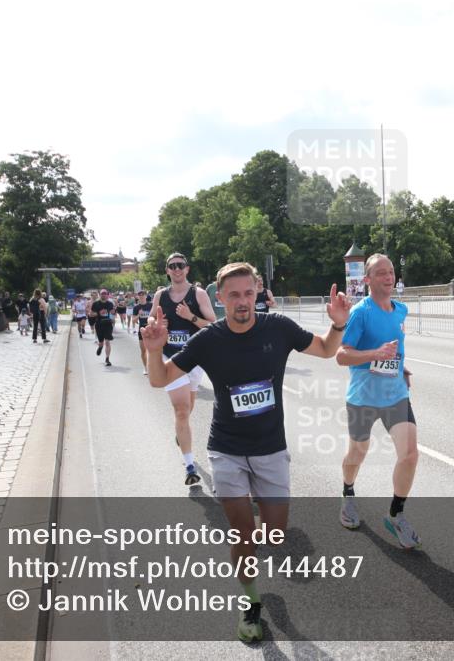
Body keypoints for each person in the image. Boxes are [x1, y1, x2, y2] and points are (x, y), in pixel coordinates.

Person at [144, 261, 350, 642]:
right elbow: (159, 379)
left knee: (274, 534)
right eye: (234, 295)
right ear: (220, 298)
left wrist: (337, 325)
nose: (243, 301)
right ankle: (251, 602)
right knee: (243, 535)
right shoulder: (208, 339)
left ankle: (253, 540)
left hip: (271, 449)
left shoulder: (279, 328)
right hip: (227, 450)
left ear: (257, 292)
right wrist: (154, 349)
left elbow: (324, 350)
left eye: (249, 293)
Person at [335, 254, 420, 548]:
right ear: (367, 280)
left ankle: (396, 515)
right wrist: (376, 354)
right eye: (381, 273)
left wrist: (400, 366)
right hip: (363, 399)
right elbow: (342, 355)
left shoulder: (401, 310)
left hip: (396, 394)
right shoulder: (361, 313)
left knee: (409, 454)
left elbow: (395, 350)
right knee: (358, 453)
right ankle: (348, 493)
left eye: (391, 271)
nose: (388, 277)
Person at [149, 253, 217, 485]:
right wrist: (157, 324)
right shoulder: (161, 295)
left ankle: (181, 434)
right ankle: (189, 466)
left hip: (195, 358)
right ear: (167, 270)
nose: (177, 269)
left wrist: (191, 316)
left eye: (180, 266)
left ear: (187, 269)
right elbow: (149, 320)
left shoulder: (197, 294)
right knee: (181, 410)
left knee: (187, 411)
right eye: (172, 266)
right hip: (172, 358)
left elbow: (213, 325)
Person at [91, 289, 115, 366]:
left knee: (107, 342)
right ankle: (100, 347)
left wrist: (114, 311)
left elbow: (113, 313)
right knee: (101, 342)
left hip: (108, 324)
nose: (103, 295)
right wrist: (99, 313)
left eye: (105, 294)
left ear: (107, 295)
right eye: (102, 294)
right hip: (99, 324)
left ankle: (107, 359)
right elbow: (91, 314)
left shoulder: (110, 303)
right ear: (100, 295)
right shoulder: (96, 304)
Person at [131, 290, 153, 375]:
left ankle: (153, 366)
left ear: (146, 296)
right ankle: (146, 368)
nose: (141, 296)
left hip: (151, 329)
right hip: (142, 329)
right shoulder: (136, 307)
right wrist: (138, 315)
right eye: (140, 295)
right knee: (143, 350)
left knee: (151, 350)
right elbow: (133, 320)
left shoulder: (151, 305)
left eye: (143, 294)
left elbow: (155, 316)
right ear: (138, 297)